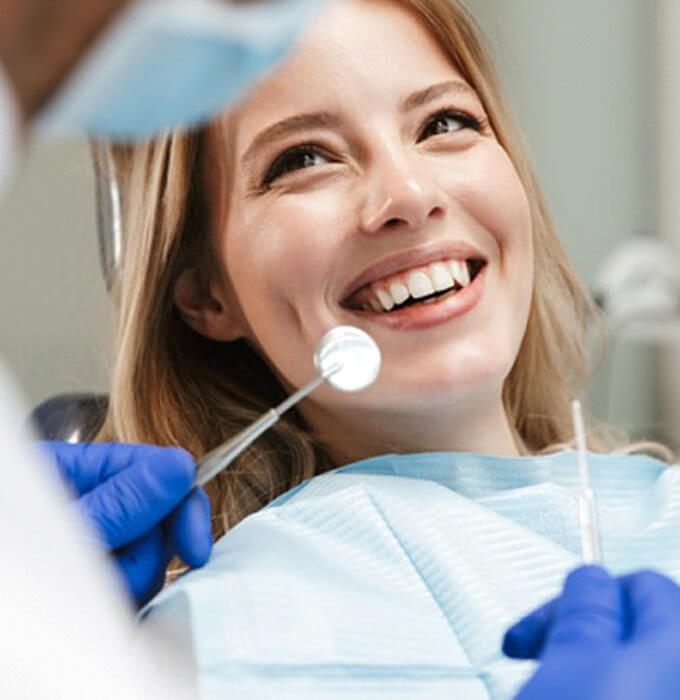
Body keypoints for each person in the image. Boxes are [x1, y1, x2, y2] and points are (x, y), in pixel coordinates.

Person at [91, 0, 680, 697]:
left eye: (444, 123)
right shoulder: (211, 636)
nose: (408, 193)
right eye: (303, 159)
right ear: (206, 297)